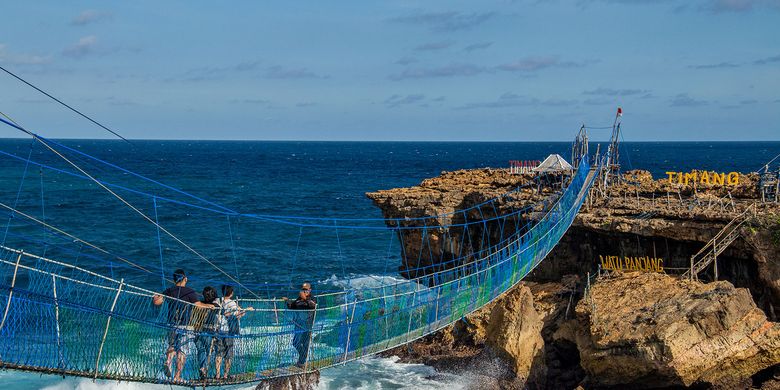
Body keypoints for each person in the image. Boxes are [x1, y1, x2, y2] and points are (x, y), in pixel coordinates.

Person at [152, 269, 213, 382]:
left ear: (174, 279)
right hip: (185, 325)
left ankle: (168, 362)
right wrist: (209, 306)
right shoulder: (189, 292)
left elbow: (157, 302)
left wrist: (155, 297)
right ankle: (177, 376)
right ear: (185, 278)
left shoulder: (169, 290)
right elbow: (198, 305)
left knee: (172, 346)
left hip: (171, 324)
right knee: (182, 351)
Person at [214, 285, 254, 380]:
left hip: (218, 330)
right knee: (228, 354)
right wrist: (247, 310)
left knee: (219, 353)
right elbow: (238, 315)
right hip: (228, 331)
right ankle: (225, 375)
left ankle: (217, 374)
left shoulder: (217, 301)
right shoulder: (232, 303)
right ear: (231, 293)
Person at [283, 282, 317, 368]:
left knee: (305, 344)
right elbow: (292, 306)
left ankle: (301, 362)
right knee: (295, 342)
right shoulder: (299, 299)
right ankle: (302, 359)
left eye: (306, 290)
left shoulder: (312, 298)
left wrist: (305, 298)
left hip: (307, 325)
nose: (304, 291)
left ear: (310, 290)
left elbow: (313, 306)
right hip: (298, 324)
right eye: (303, 289)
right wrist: (287, 301)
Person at [193, 286, 219, 380]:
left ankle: (201, 368)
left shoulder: (199, 304)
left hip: (197, 331)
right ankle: (204, 368)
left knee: (201, 350)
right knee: (209, 350)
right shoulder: (216, 307)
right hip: (208, 331)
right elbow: (223, 311)